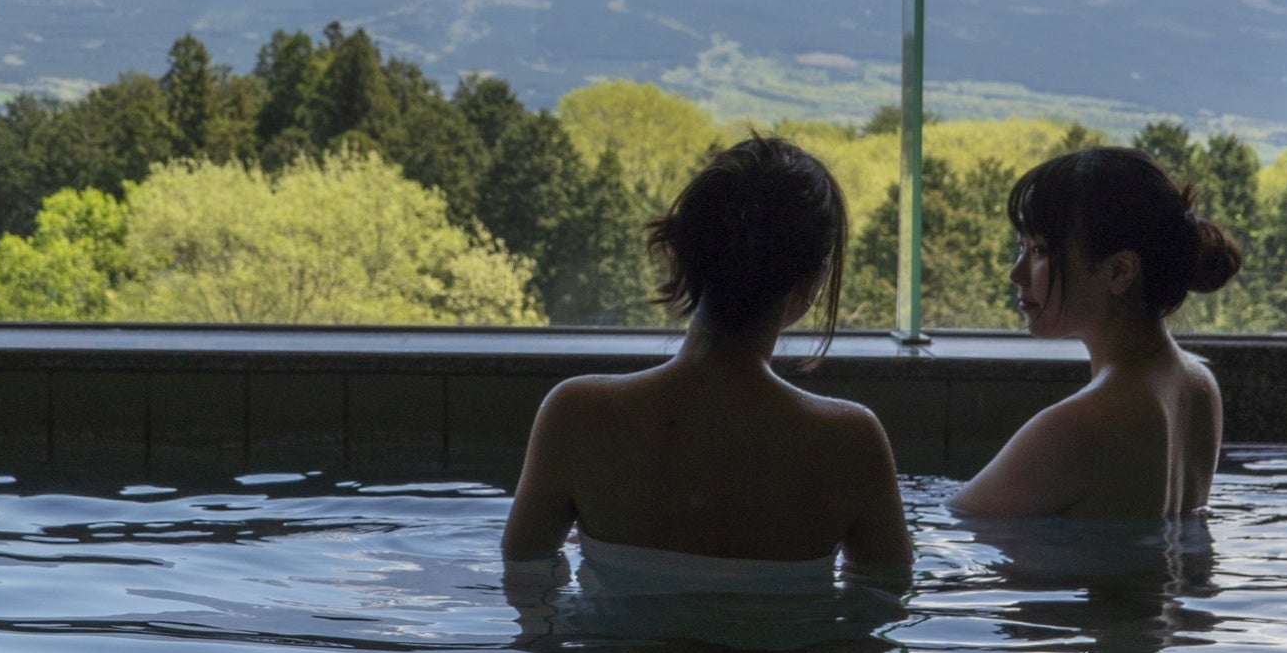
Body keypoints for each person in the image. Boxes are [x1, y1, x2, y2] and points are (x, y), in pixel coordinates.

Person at [503, 136, 913, 594]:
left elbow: (528, 585)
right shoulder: (851, 442)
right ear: (813, 280)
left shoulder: (577, 416)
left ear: (682, 253)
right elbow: (881, 607)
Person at [952, 147, 1245, 527]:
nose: (1016, 273)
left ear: (1120, 271)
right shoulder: (1198, 386)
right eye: (1020, 247)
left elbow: (954, 534)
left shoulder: (1080, 425)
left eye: (1040, 249)